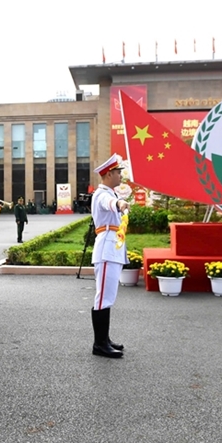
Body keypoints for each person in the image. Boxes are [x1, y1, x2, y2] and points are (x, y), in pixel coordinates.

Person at [90, 154, 129, 359]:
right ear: (108, 174)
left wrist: (119, 202)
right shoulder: (101, 194)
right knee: (103, 296)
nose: (120, 175)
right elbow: (109, 203)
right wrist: (120, 204)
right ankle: (99, 344)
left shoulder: (109, 192)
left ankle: (104, 339)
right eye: (118, 172)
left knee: (109, 295)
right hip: (106, 248)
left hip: (113, 247)